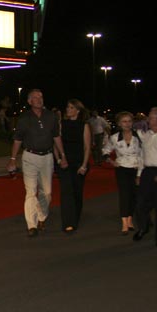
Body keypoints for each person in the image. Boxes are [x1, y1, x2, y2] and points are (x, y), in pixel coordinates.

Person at [6, 88, 67, 237]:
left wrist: (62, 156)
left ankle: (41, 216)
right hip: (30, 157)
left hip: (47, 157)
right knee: (31, 192)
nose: (39, 100)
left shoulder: (51, 116)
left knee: (47, 192)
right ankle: (31, 225)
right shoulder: (24, 118)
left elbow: (56, 137)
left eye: (41, 97)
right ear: (29, 101)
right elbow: (18, 140)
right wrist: (12, 159)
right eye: (35, 97)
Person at [53, 99, 91, 233]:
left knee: (77, 192)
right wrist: (58, 159)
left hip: (79, 163)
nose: (68, 109)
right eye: (68, 107)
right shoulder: (61, 124)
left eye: (71, 107)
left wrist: (84, 165)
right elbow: (56, 144)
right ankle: (68, 222)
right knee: (66, 192)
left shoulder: (84, 126)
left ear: (78, 111)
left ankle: (75, 217)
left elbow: (87, 147)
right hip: (65, 163)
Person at [102, 111, 143, 234]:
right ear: (119, 123)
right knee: (124, 195)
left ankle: (130, 219)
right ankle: (124, 222)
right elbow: (105, 150)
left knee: (134, 196)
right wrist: (111, 161)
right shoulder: (114, 138)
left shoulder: (139, 135)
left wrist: (140, 172)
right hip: (122, 169)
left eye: (129, 121)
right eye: (124, 121)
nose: (127, 124)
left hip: (136, 168)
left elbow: (143, 153)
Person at [132, 109, 157, 244]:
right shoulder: (147, 134)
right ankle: (143, 227)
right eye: (151, 118)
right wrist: (139, 174)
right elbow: (142, 156)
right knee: (141, 203)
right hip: (147, 172)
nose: (152, 121)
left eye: (154, 118)